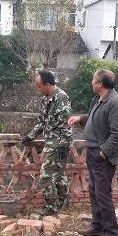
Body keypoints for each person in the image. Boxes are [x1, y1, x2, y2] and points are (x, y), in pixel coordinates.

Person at [68, 69, 118, 236]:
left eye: (93, 79)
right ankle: (97, 224)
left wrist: (103, 152)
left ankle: (110, 231)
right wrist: (80, 118)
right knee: (94, 190)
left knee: (102, 193)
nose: (91, 81)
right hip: (93, 152)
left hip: (102, 155)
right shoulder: (101, 100)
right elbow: (94, 118)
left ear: (100, 83)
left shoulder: (115, 103)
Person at [22, 70, 72, 216]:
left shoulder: (61, 98)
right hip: (50, 142)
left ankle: (51, 207)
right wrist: (30, 136)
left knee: (45, 176)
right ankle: (63, 202)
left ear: (48, 84)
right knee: (58, 174)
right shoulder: (45, 99)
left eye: (39, 86)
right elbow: (42, 122)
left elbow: (67, 124)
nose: (38, 90)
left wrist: (64, 144)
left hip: (59, 143)